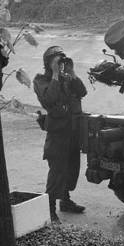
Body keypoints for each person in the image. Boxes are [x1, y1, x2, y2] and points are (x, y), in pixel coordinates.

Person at [34, 45, 87, 221]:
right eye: (56, 60)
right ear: (47, 63)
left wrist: (72, 73)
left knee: (71, 168)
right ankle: (49, 209)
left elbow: (82, 92)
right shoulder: (41, 80)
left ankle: (65, 201)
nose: (60, 63)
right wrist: (55, 75)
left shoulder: (67, 78)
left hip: (73, 131)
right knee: (57, 170)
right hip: (57, 133)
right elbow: (49, 99)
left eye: (61, 59)